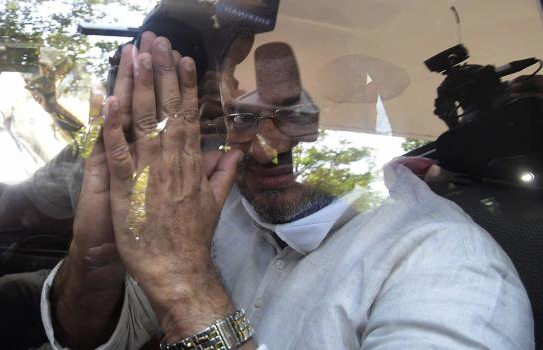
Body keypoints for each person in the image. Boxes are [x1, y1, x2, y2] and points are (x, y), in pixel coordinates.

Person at [37, 22, 535, 350]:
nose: (263, 147)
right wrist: (96, 257)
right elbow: (95, 339)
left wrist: (188, 285)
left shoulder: (453, 268)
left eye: (296, 117)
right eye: (244, 119)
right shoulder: (215, 210)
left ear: (361, 123)